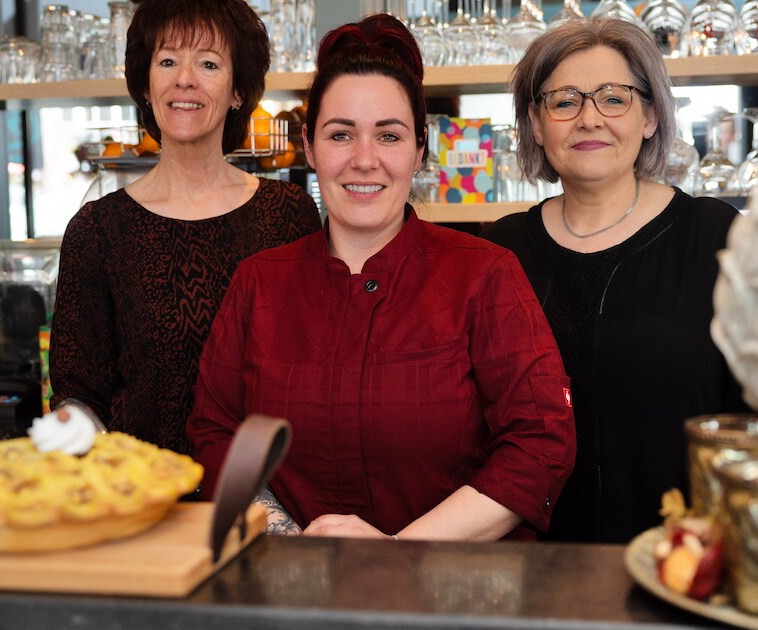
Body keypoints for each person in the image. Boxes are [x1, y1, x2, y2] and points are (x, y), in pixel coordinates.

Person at [187, 14, 575, 542]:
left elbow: (540, 441)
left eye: (388, 136)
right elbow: (214, 434)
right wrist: (289, 542)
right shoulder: (258, 283)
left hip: (456, 600)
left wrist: (399, 551)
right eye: (341, 134)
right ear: (309, 145)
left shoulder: (485, 274)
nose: (364, 160)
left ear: (419, 150)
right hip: (289, 597)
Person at [480, 18, 750, 544]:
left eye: (613, 98)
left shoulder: (717, 238)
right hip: (529, 575)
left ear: (650, 115)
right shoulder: (499, 251)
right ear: (536, 124)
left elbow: (757, 423)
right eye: (563, 101)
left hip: (681, 566)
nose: (588, 119)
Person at [51, 0, 321, 454]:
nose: (184, 79)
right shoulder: (98, 230)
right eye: (168, 60)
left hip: (268, 498)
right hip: (144, 500)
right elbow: (77, 398)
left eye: (209, 63)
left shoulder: (289, 214)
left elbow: (315, 368)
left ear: (238, 91)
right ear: (146, 83)